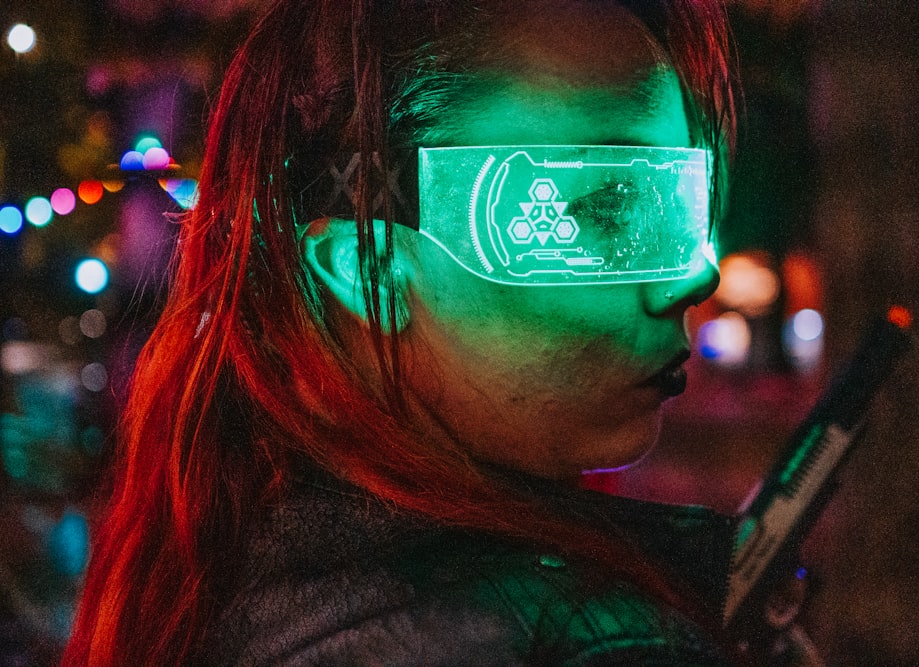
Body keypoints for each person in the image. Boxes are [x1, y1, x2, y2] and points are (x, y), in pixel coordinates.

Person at [63, 0, 742, 664]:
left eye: (681, 202)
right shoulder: (583, 641)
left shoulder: (229, 573)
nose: (695, 276)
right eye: (605, 204)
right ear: (370, 268)